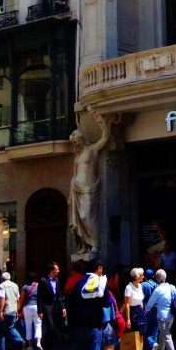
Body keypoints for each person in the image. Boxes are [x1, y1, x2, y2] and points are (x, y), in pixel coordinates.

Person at [68, 260, 109, 350]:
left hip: (79, 327)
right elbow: (107, 302)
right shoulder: (99, 282)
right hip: (94, 327)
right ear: (98, 268)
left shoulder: (78, 284)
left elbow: (70, 304)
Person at [69, 106, 109, 256]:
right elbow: (75, 172)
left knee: (87, 216)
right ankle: (85, 245)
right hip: (77, 188)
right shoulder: (77, 156)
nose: (76, 145)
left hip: (89, 189)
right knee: (79, 218)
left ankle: (95, 243)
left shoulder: (92, 150)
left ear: (81, 140)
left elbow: (105, 137)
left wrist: (97, 117)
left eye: (77, 142)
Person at [146, 268, 176, 350]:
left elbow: (150, 303)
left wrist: (146, 311)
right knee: (162, 336)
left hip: (162, 316)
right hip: (171, 316)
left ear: (157, 279)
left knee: (167, 336)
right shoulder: (171, 287)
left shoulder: (158, 290)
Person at [37, 262, 66, 350]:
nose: (58, 271)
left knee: (54, 330)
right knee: (50, 328)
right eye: (57, 269)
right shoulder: (43, 281)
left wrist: (63, 307)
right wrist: (39, 311)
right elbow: (39, 297)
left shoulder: (57, 280)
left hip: (55, 308)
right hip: (46, 308)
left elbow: (59, 296)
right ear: (52, 270)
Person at [119, 267, 147, 350]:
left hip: (140, 312)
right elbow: (126, 304)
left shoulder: (140, 286)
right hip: (131, 311)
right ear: (136, 276)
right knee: (129, 336)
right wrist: (128, 319)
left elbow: (141, 300)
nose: (143, 276)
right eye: (141, 275)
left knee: (141, 336)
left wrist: (143, 310)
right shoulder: (129, 287)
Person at [0, 271, 24, 350]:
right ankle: (20, 340)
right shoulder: (15, 286)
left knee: (1, 331)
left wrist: (0, 311)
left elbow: (2, 299)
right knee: (11, 328)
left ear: (2, 279)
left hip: (5, 310)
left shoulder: (2, 286)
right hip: (13, 310)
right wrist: (17, 310)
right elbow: (18, 299)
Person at [17, 271, 41, 350]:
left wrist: (18, 309)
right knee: (38, 325)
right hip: (37, 307)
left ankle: (30, 345)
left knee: (28, 326)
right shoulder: (39, 286)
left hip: (27, 308)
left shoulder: (25, 287)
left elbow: (21, 300)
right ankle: (38, 343)